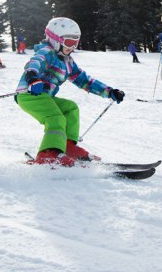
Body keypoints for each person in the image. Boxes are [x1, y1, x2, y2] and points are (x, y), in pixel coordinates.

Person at [16, 17, 125, 166]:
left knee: (70, 108)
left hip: (45, 97)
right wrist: (32, 77)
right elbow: (35, 62)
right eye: (69, 42)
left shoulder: (68, 62)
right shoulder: (47, 52)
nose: (72, 46)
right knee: (56, 118)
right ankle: (49, 154)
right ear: (55, 39)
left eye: (76, 42)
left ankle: (67, 147)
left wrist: (109, 91)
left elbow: (84, 80)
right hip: (30, 94)